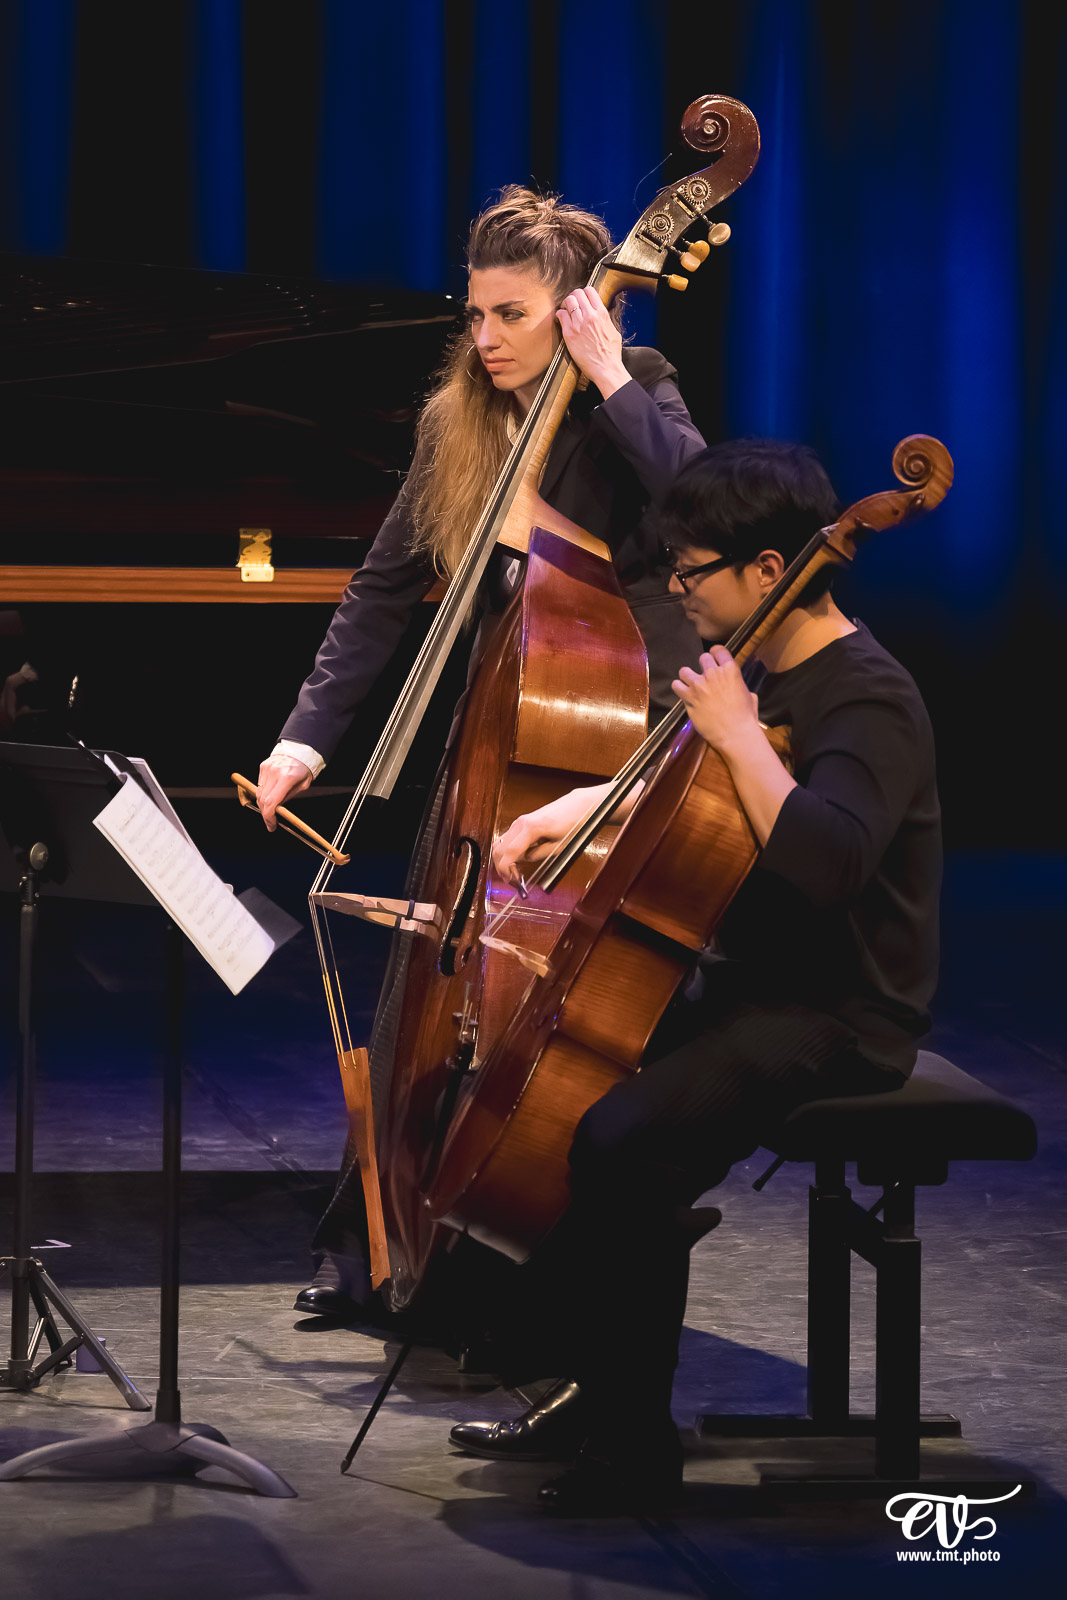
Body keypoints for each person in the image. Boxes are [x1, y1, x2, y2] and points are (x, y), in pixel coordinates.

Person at [450, 438, 942, 1513]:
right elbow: (682, 787)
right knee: (567, 1096)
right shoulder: (764, 674)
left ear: (770, 570)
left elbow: (824, 865)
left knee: (621, 1145)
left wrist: (737, 733)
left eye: (691, 569)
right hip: (756, 981)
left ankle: (634, 1449)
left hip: (837, 1010)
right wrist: (566, 812)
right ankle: (586, 1376)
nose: (677, 588)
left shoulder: (865, 698)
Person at [255, 186, 706, 1317]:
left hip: (629, 722)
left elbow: (707, 506)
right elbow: (382, 590)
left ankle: (533, 1269)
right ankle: (384, 1236)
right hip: (505, 723)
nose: (485, 336)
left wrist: (607, 378)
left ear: (576, 310)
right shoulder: (454, 418)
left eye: (510, 314)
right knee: (437, 978)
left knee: (551, 1015)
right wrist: (305, 740)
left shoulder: (633, 392)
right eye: (476, 313)